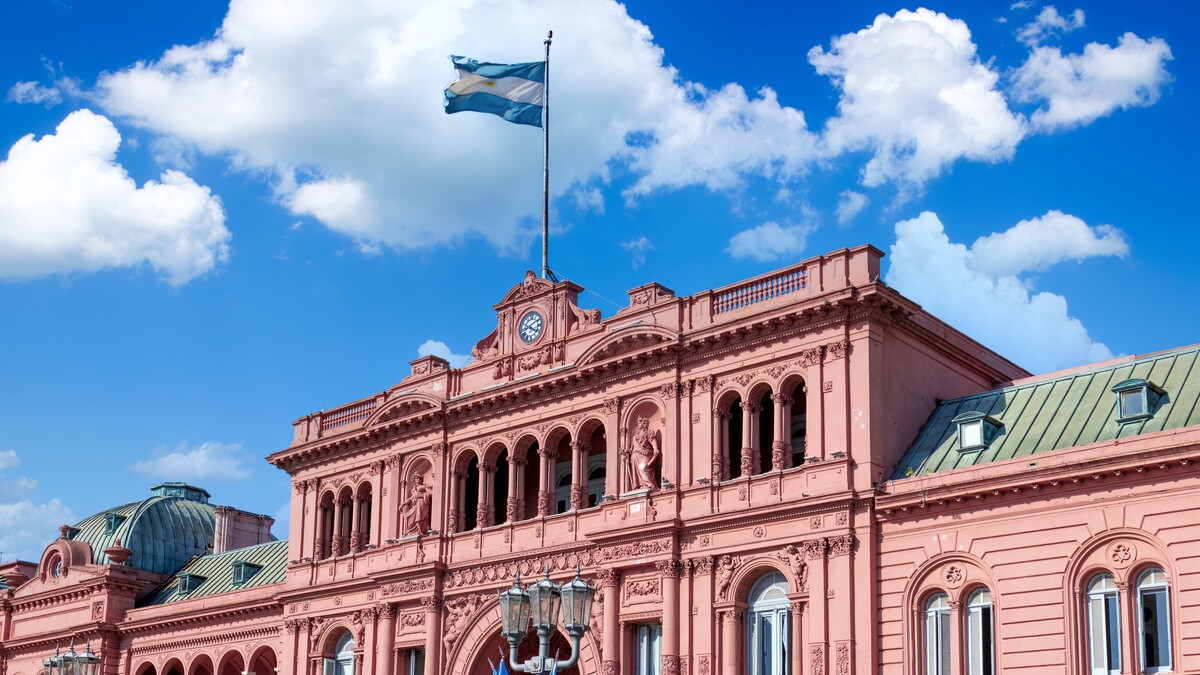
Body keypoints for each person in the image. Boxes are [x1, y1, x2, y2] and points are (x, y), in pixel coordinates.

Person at [627, 417, 661, 490]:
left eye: (639, 423)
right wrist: (626, 452)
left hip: (645, 455)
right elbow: (632, 449)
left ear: (644, 423)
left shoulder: (649, 433)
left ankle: (652, 486)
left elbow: (655, 447)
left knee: (644, 468)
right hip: (635, 458)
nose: (638, 424)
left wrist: (652, 459)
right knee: (638, 473)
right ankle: (641, 487)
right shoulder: (635, 437)